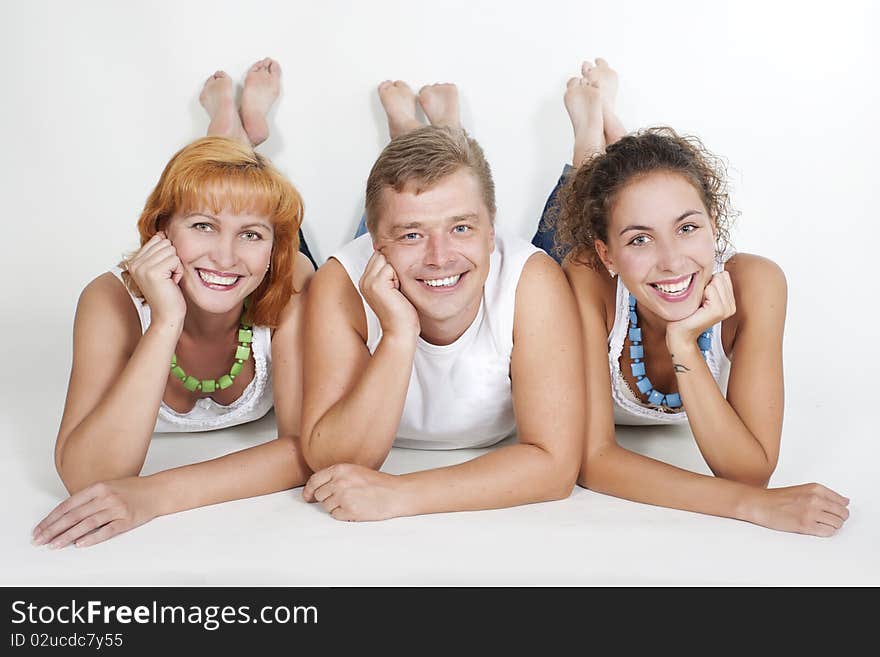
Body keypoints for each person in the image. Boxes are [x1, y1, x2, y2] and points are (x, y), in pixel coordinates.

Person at [535, 58, 850, 537]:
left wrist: (685, 343)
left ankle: (612, 138)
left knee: (635, 198)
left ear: (714, 226)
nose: (671, 260)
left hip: (625, 253)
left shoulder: (758, 285)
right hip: (579, 262)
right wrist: (752, 508)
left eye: (688, 228)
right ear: (610, 255)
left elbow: (750, 468)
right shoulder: (587, 272)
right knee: (554, 238)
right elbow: (593, 460)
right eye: (639, 239)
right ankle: (588, 132)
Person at [32, 58, 314, 548]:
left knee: (258, 204)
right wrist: (165, 321)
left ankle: (231, 135)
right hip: (187, 277)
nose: (225, 256)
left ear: (272, 253)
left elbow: (305, 450)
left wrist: (153, 497)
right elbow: (87, 475)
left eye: (250, 236)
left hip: (277, 273)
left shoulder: (290, 283)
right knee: (223, 194)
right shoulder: (109, 300)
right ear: (160, 234)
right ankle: (226, 132)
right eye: (201, 226)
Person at [299, 81, 585, 521]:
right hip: (379, 265)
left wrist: (400, 495)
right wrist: (398, 335)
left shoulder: (533, 280)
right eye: (412, 234)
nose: (439, 256)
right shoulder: (339, 281)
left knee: (572, 215)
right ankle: (417, 137)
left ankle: (431, 135)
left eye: (462, 228)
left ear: (492, 233)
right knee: (414, 211)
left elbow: (554, 465)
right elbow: (332, 458)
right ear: (375, 245)